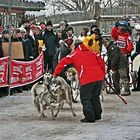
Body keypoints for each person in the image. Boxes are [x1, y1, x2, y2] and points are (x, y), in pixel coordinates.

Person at [53, 39, 105, 123]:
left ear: (75, 46)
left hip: (87, 78)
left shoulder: (74, 54)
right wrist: (102, 74)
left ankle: (90, 117)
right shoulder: (92, 52)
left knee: (85, 98)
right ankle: (97, 115)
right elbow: (101, 62)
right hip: (98, 77)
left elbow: (63, 62)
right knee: (95, 97)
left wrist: (56, 73)